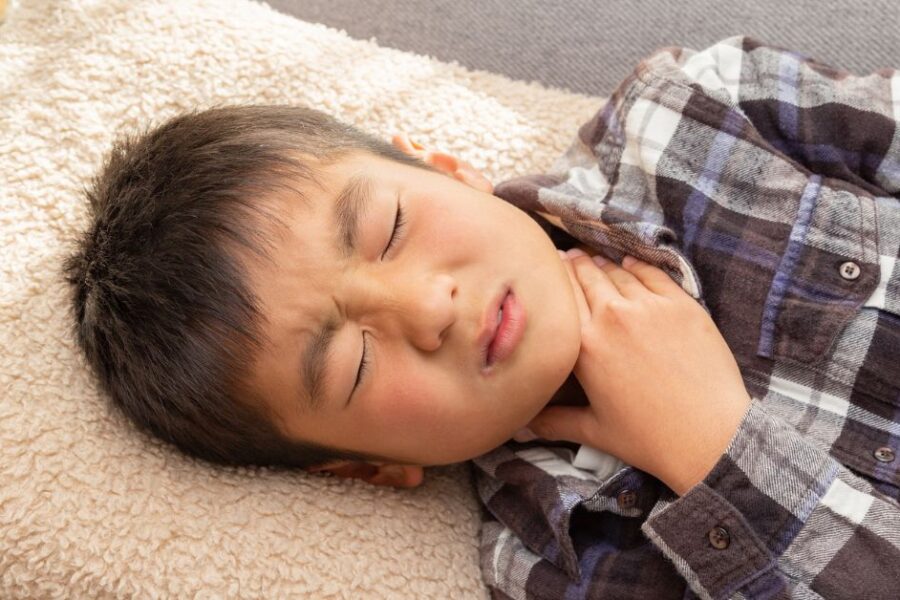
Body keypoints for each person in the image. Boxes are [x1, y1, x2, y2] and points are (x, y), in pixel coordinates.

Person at [62, 36, 899, 598]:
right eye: (353, 364)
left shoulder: (686, 115)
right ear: (365, 468)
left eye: (389, 230)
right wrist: (715, 449)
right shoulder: (554, 560)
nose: (430, 307)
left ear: (449, 170)